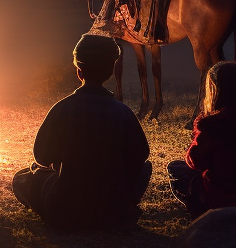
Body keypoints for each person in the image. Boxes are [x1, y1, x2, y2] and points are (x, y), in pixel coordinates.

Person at [12, 34, 152, 231]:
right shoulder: (123, 113)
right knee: (146, 168)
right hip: (113, 208)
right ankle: (120, 205)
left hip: (66, 207)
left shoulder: (62, 109)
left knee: (22, 177)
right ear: (111, 71)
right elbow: (141, 155)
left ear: (79, 71)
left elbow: (41, 157)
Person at [166, 61, 236, 218]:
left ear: (215, 90)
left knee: (175, 167)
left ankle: (199, 209)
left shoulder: (212, 124)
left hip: (219, 197)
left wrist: (197, 133)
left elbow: (195, 161)